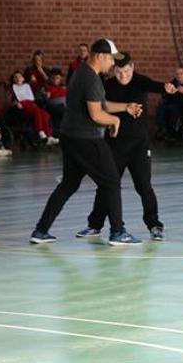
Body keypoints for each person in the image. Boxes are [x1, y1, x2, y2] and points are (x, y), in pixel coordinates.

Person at [30, 39, 141, 245]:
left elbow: (101, 104)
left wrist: (125, 107)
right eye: (111, 59)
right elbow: (97, 113)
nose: (112, 65)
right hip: (86, 139)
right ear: (100, 56)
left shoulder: (83, 73)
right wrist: (115, 120)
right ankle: (118, 232)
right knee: (111, 181)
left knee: (68, 184)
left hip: (70, 136)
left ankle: (40, 230)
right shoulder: (91, 79)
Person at [85, 52, 176, 241]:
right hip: (114, 145)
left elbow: (157, 86)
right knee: (107, 186)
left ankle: (154, 225)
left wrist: (166, 88)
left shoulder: (140, 81)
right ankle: (94, 225)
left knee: (144, 185)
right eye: (119, 72)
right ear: (113, 70)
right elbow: (99, 107)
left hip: (139, 146)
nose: (123, 76)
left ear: (132, 68)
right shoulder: (107, 85)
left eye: (127, 71)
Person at [10, 71, 58, 146]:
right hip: (22, 104)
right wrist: (17, 103)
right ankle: (40, 132)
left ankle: (49, 137)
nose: (18, 78)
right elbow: (11, 101)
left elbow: (34, 92)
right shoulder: (12, 88)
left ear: (23, 78)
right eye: (16, 77)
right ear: (13, 80)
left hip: (31, 103)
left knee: (45, 114)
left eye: (19, 76)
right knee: (37, 111)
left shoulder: (27, 86)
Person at [157, 68, 183, 139]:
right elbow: (165, 95)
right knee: (161, 107)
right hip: (171, 103)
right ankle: (162, 128)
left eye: (181, 74)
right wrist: (167, 93)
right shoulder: (172, 83)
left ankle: (172, 130)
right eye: (177, 74)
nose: (179, 76)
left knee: (174, 108)